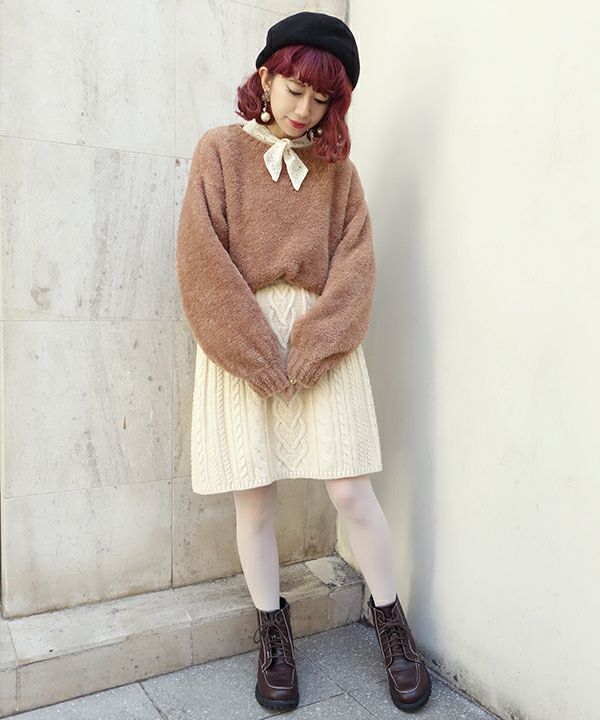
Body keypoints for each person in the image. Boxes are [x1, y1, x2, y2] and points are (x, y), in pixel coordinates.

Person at [176, 10, 431, 714]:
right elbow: (200, 258)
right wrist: (253, 349)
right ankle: (272, 632)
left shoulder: (338, 173)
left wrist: (316, 344)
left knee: (350, 491)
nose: (305, 109)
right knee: (255, 497)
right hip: (242, 342)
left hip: (324, 342)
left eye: (322, 99)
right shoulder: (219, 151)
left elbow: (356, 265)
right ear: (265, 77)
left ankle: (391, 623)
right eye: (295, 89)